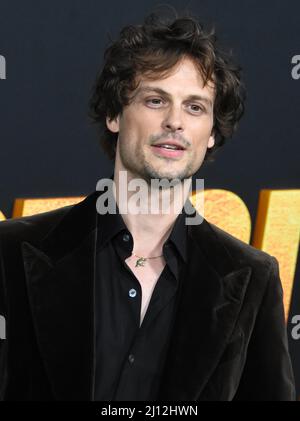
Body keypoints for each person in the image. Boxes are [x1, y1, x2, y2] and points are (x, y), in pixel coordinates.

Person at [0, 10, 296, 401]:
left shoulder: (252, 277)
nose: (175, 121)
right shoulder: (10, 253)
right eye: (155, 100)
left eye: (195, 107)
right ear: (114, 115)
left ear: (211, 133)